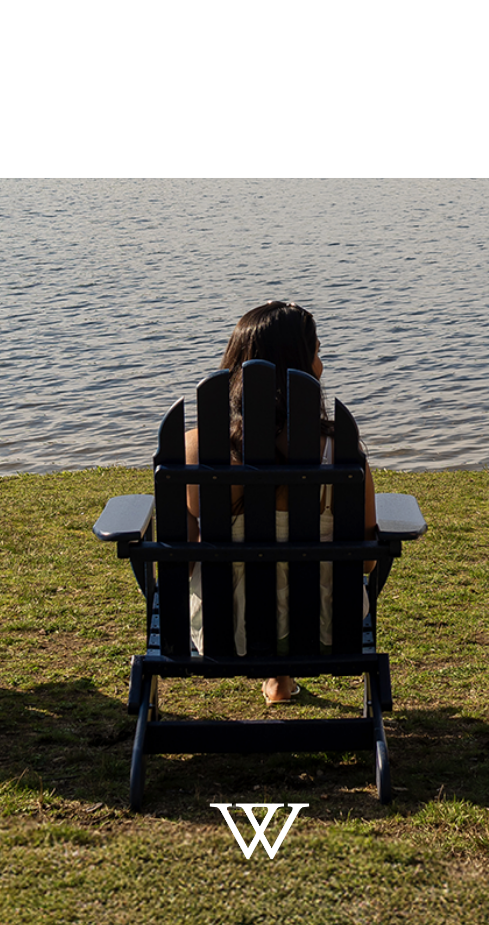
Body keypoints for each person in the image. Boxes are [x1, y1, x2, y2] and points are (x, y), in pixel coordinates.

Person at [184, 301, 378, 706]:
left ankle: (278, 680)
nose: (321, 364)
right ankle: (280, 678)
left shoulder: (195, 447)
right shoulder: (339, 449)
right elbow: (365, 561)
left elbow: (182, 557)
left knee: (252, 566)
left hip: (226, 627)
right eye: (318, 352)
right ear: (300, 365)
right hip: (326, 626)